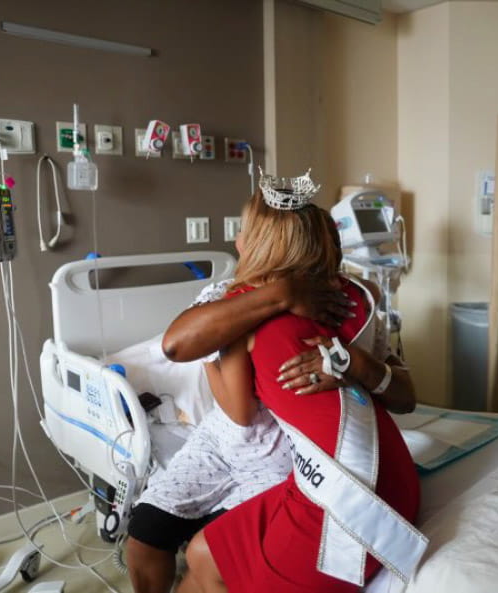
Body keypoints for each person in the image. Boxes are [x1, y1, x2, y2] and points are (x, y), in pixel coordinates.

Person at [126, 206, 415, 593]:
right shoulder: (226, 298)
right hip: (222, 440)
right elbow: (178, 345)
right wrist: (281, 295)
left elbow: (405, 395)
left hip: (284, 453)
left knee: (214, 552)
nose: (236, 240)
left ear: (268, 242)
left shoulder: (350, 305)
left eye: (244, 230)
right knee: (144, 531)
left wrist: (356, 365)